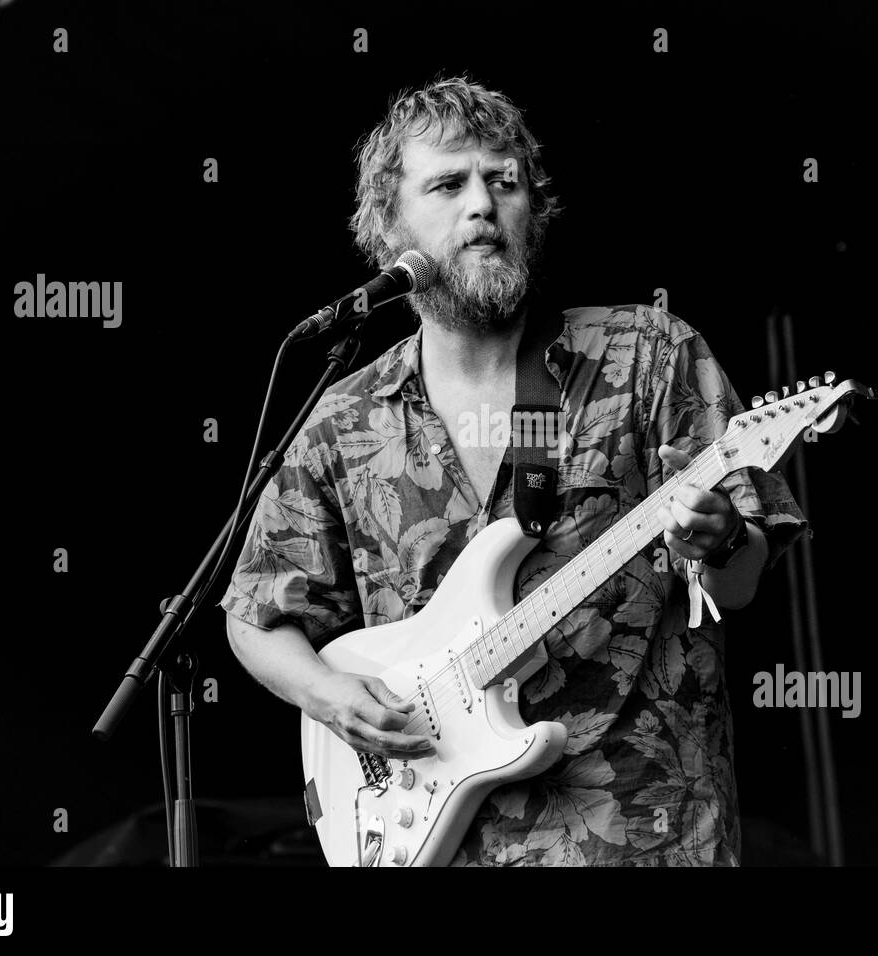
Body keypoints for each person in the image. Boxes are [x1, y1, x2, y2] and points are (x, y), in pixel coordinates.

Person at [220, 76, 809, 866]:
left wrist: (722, 541)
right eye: (448, 183)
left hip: (645, 832)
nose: (483, 204)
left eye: (505, 180)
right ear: (389, 226)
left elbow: (741, 584)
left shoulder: (649, 356)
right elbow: (255, 615)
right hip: (440, 838)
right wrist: (329, 697)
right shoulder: (343, 421)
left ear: (534, 209)